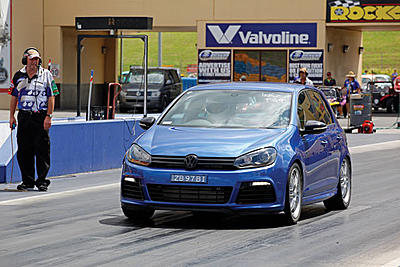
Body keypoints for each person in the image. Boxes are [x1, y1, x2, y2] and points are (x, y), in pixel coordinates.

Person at [9, 48, 59, 191]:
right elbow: (13, 96)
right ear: (25, 60)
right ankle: (27, 181)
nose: (34, 62)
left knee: (42, 149)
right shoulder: (18, 75)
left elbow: (52, 96)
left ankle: (42, 180)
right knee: (24, 150)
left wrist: (49, 116)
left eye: (36, 59)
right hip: (24, 116)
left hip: (40, 115)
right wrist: (11, 116)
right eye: (31, 59)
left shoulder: (46, 75)